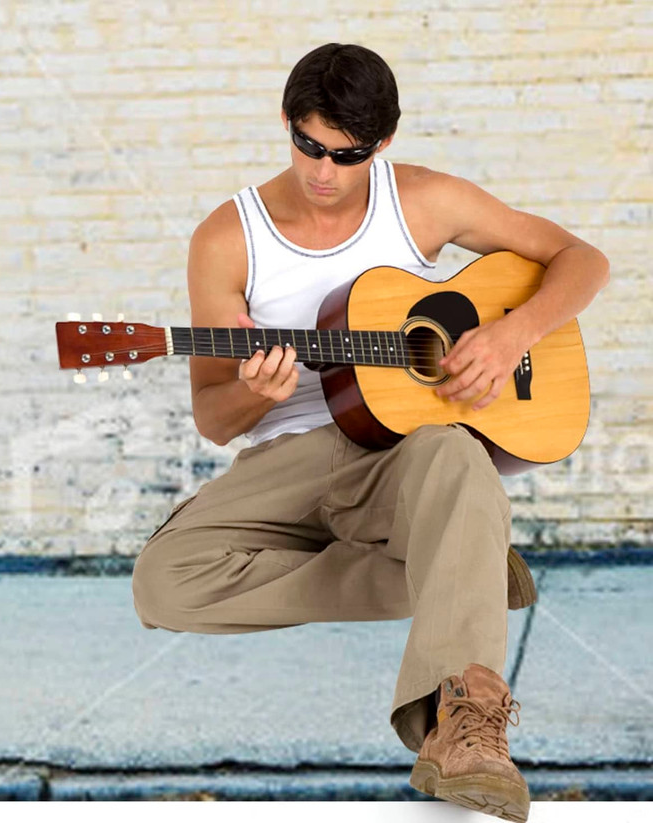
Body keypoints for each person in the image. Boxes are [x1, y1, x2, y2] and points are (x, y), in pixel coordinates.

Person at [132, 43, 609, 821]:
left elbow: (581, 259)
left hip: (403, 460)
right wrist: (256, 396)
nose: (323, 172)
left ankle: (467, 731)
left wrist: (511, 334)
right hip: (292, 461)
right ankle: (465, 562)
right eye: (308, 145)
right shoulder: (228, 237)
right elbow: (214, 419)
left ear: (382, 143)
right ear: (287, 123)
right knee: (163, 581)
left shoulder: (422, 200)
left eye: (346, 155)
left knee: (453, 447)